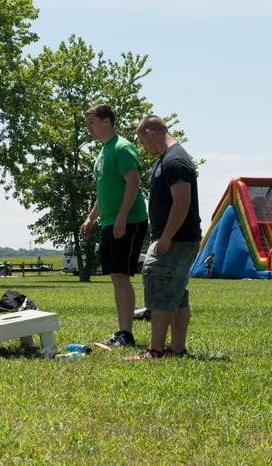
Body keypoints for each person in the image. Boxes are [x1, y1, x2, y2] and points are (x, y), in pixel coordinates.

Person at [128, 115, 202, 360]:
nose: (144, 148)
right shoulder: (169, 159)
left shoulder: (175, 160)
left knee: (160, 289)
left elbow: (182, 203)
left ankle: (156, 350)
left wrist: (167, 237)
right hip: (177, 237)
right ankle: (177, 350)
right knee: (177, 293)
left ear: (150, 133)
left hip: (176, 239)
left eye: (143, 142)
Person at [80, 104, 149, 347]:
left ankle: (126, 334)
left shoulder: (122, 147)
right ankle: (122, 331)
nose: (88, 127)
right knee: (116, 277)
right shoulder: (103, 153)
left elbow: (133, 183)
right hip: (111, 221)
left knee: (121, 276)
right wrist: (91, 218)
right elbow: (104, 191)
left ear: (107, 121)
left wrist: (122, 216)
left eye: (92, 122)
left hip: (128, 221)